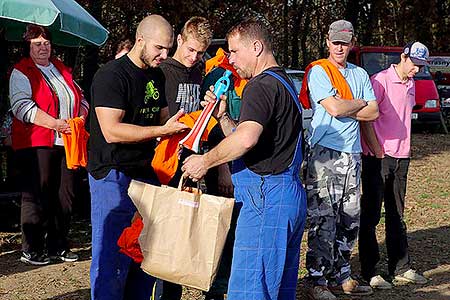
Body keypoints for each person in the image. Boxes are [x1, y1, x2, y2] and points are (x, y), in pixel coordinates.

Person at [182, 19, 307, 300]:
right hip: (287, 198)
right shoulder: (283, 82)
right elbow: (253, 138)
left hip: (265, 199)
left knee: (249, 291)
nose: (230, 59)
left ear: (257, 46)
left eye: (235, 51)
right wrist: (223, 117)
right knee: (276, 290)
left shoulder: (258, 86)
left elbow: (247, 139)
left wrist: (205, 161)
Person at [87, 15, 187, 300]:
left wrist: (195, 119)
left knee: (143, 256)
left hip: (145, 175)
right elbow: (111, 130)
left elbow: (165, 116)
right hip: (113, 175)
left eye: (168, 48)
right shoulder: (111, 75)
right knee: (112, 258)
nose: (164, 55)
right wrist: (161, 130)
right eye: (159, 48)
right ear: (140, 39)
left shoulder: (156, 74)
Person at [301, 20, 379, 300]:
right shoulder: (320, 71)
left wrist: (351, 105)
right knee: (323, 217)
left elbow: (374, 113)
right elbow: (333, 108)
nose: (339, 47)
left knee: (349, 217)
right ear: (327, 41)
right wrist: (358, 102)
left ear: (352, 43)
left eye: (344, 42)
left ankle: (341, 275)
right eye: (335, 42)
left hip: (352, 153)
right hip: (325, 153)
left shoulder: (360, 73)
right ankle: (318, 280)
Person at [158, 16, 233, 300]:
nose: (194, 57)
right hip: (166, 164)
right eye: (190, 50)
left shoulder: (200, 72)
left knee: (194, 231)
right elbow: (159, 119)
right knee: (170, 235)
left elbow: (210, 126)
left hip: (194, 163)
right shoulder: (163, 71)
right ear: (179, 40)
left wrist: (219, 165)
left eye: (201, 52)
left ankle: (210, 289)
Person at [9, 24, 88, 265]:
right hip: (38, 141)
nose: (43, 47)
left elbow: (81, 97)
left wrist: (80, 118)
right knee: (38, 194)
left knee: (66, 194)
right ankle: (32, 248)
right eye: (37, 44)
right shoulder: (21, 71)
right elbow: (22, 107)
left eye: (46, 43)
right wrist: (54, 123)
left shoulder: (61, 69)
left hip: (67, 141)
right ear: (28, 46)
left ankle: (58, 245)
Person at [359, 41, 429, 289]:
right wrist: (376, 149)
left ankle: (401, 267)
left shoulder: (412, 84)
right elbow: (365, 116)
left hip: (402, 158)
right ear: (403, 57)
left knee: (397, 215)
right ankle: (370, 271)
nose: (417, 70)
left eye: (421, 66)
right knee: (371, 215)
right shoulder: (379, 81)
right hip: (377, 158)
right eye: (414, 64)